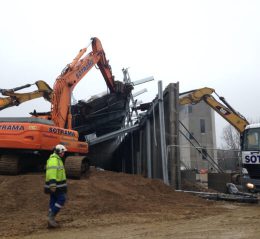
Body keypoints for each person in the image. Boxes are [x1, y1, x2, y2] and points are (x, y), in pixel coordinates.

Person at [44, 144, 68, 228]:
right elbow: (52, 172)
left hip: (57, 185)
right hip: (56, 185)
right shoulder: (54, 160)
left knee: (53, 200)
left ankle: (51, 219)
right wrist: (53, 184)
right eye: (63, 152)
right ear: (59, 151)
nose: (63, 153)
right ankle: (51, 217)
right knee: (62, 199)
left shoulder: (57, 159)